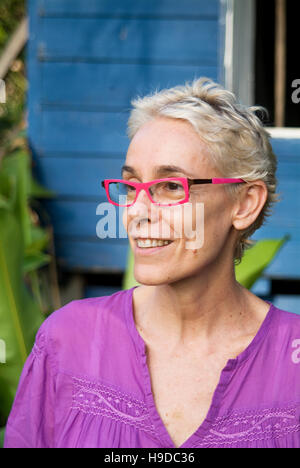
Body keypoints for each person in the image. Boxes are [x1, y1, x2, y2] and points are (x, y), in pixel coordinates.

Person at [4, 78, 300, 448]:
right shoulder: (67, 341)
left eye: (172, 186)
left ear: (244, 204)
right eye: (131, 187)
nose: (137, 212)